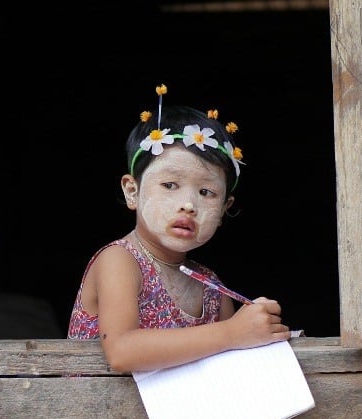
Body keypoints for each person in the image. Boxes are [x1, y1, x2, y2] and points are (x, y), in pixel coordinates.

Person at [68, 84, 291, 372]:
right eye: (170, 185)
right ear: (132, 191)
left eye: (207, 193)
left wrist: (261, 330)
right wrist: (233, 333)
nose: (188, 205)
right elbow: (122, 352)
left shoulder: (212, 288)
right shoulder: (120, 261)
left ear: (224, 209)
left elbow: (231, 366)